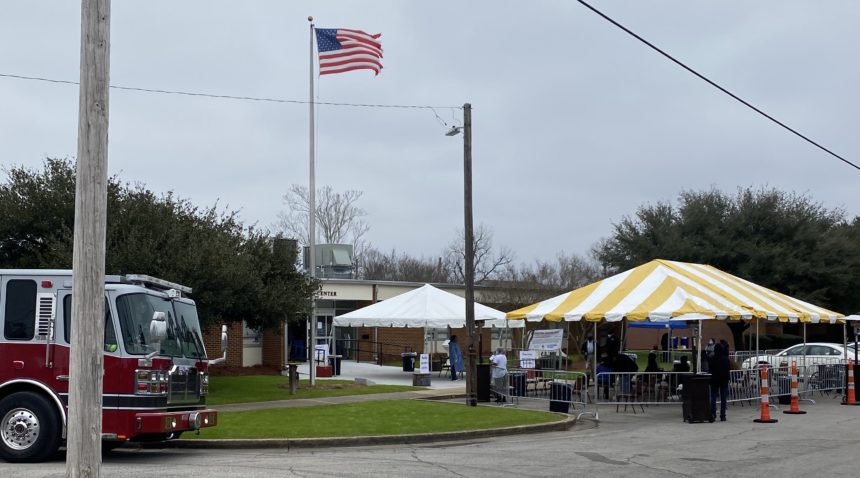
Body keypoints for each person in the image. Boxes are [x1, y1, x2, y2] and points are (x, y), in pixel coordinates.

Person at [709, 341, 731, 422]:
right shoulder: (726, 359)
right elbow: (728, 368)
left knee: (713, 396)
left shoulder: (712, 359)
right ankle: (723, 415)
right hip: (724, 379)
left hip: (714, 379)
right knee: (723, 398)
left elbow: (710, 369)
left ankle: (713, 413)